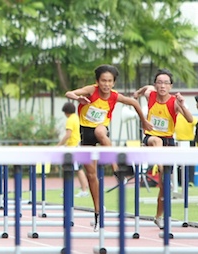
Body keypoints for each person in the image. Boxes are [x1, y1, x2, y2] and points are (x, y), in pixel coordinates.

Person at [65, 64, 152, 232]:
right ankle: (98, 212)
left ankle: (116, 168)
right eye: (103, 81)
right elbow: (69, 93)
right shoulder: (92, 90)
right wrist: (78, 98)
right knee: (91, 175)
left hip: (101, 130)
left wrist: (143, 120)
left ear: (114, 82)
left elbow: (133, 102)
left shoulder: (114, 96)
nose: (106, 84)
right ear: (97, 81)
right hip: (85, 133)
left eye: (110, 81)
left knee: (100, 131)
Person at [133, 68, 193, 229]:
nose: (162, 86)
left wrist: (182, 105)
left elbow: (189, 119)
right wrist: (138, 92)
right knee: (156, 141)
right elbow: (146, 88)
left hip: (168, 141)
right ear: (155, 84)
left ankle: (158, 216)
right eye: (159, 82)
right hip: (151, 138)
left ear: (170, 86)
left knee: (164, 185)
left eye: (166, 83)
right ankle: (159, 165)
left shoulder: (174, 102)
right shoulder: (150, 95)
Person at [58, 102, 89, 198]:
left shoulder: (70, 120)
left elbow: (68, 134)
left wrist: (59, 145)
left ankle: (82, 190)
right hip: (75, 145)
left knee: (76, 169)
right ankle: (71, 189)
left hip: (72, 147)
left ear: (66, 112)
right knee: (75, 168)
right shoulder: (76, 117)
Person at [174, 109, 198, 187]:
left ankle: (180, 181)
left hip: (179, 141)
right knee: (190, 163)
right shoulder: (191, 117)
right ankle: (190, 181)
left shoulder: (176, 117)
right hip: (190, 141)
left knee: (179, 164)